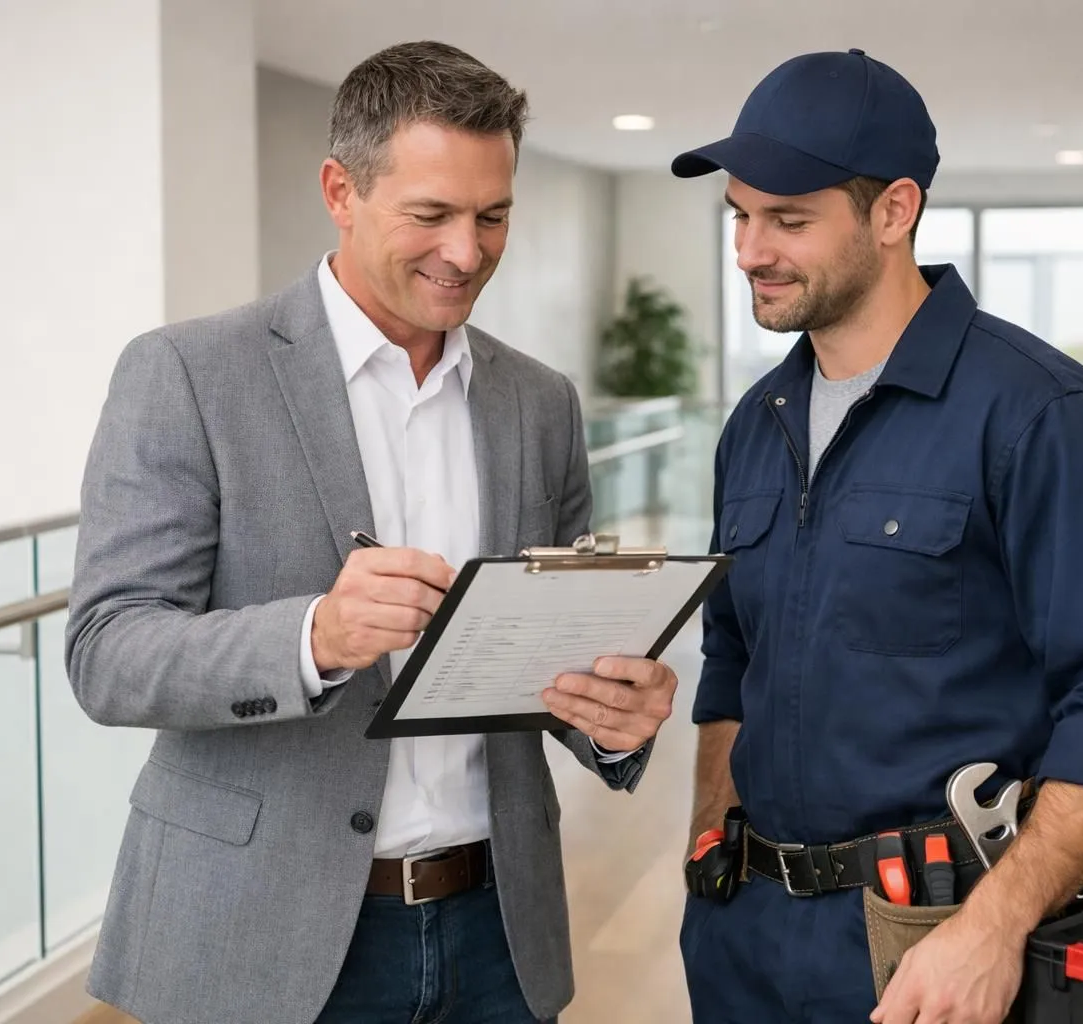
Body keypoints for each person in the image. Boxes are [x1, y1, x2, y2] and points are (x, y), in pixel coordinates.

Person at [66, 40, 676, 1024]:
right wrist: (315, 636)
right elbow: (108, 653)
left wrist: (611, 714)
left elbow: (542, 649)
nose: (467, 252)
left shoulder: (540, 403)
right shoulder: (188, 374)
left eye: (493, 215)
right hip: (257, 933)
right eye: (431, 215)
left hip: (498, 930)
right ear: (340, 191)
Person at [670, 48, 1083, 1024]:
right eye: (739, 215)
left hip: (935, 946)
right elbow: (730, 656)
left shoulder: (1043, 415)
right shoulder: (756, 422)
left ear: (893, 211)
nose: (749, 249)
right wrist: (709, 839)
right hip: (742, 940)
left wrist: (996, 927)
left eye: (788, 219)